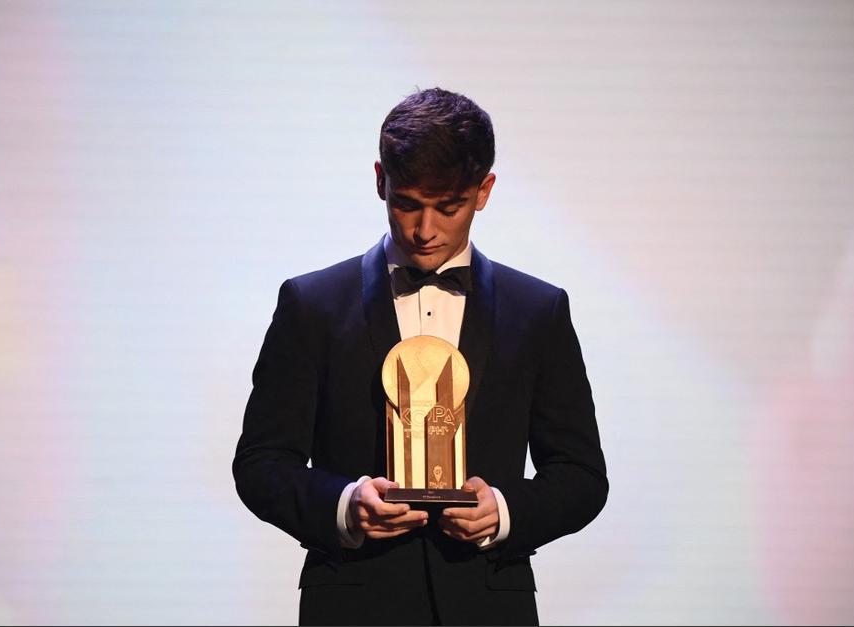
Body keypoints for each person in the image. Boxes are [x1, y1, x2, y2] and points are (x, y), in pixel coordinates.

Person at [233, 87, 608, 626]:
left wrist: (502, 513)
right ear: (381, 180)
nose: (425, 230)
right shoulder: (311, 305)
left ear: (484, 190)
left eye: (448, 207)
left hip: (488, 606)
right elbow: (261, 464)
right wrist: (345, 504)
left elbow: (581, 475)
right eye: (407, 203)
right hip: (352, 604)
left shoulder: (539, 311)